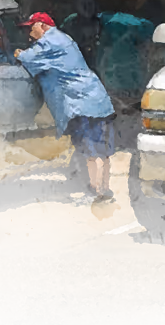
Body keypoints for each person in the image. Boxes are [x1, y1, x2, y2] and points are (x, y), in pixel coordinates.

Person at [14, 11, 118, 207]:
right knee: (102, 151)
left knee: (91, 152)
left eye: (31, 27)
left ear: (42, 25)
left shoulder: (49, 42)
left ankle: (94, 192)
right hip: (98, 99)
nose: (29, 33)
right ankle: (104, 189)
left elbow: (27, 58)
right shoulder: (64, 39)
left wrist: (17, 52)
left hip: (81, 103)